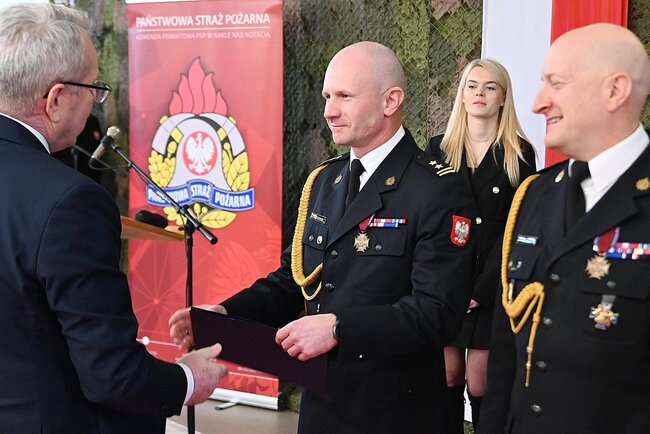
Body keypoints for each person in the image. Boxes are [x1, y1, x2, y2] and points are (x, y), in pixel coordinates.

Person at [170, 41, 477, 433]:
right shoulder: (325, 181)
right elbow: (293, 280)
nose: (330, 110)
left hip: (397, 413)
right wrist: (226, 315)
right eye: (327, 96)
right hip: (323, 407)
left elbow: (437, 313)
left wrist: (338, 328)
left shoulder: (437, 189)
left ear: (391, 101)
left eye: (345, 96)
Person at [0, 4, 227, 433]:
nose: (95, 101)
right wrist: (187, 378)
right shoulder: (69, 201)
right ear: (55, 99)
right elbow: (112, 375)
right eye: (94, 87)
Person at [479, 23, 650, 433]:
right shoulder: (533, 195)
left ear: (615, 90)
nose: (538, 103)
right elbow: (505, 356)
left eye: (556, 84)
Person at [426, 59, 536, 432]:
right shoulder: (438, 149)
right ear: (461, 95)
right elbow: (430, 225)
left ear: (503, 97)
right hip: (445, 282)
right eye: (472, 86)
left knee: (480, 381)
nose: (479, 94)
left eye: (490, 87)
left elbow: (516, 229)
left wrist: (480, 290)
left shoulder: (519, 153)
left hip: (491, 283)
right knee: (447, 374)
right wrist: (449, 285)